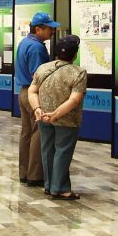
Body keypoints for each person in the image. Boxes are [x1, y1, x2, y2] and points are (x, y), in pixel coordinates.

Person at [28, 35, 87, 200]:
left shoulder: (43, 68)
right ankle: (60, 189)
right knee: (63, 152)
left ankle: (49, 186)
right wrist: (56, 114)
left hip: (43, 117)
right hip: (67, 120)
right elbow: (75, 99)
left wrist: (37, 109)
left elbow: (32, 91)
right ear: (75, 54)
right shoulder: (79, 73)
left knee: (47, 150)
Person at [14, 12, 59, 187]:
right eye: (49, 28)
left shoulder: (25, 42)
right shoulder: (37, 48)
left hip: (23, 93)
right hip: (34, 94)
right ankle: (35, 175)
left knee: (26, 133)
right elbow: (38, 75)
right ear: (38, 29)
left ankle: (24, 172)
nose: (52, 31)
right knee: (38, 134)